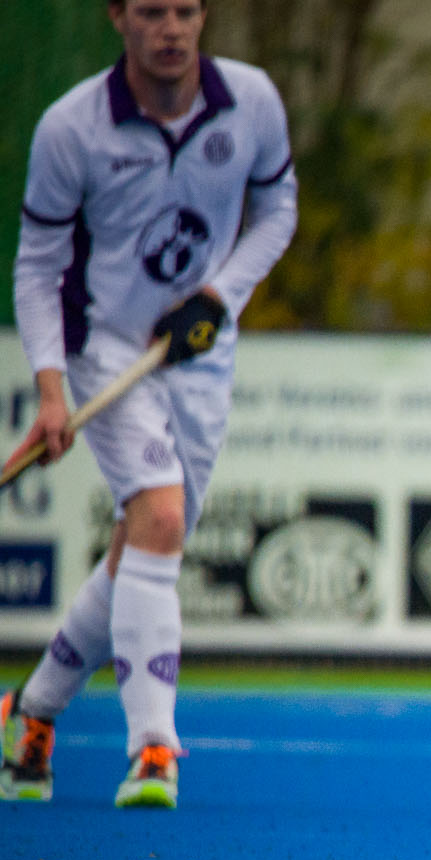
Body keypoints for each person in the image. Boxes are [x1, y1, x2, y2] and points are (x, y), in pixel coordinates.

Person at [2, 0, 296, 808]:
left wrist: (218, 296)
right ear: (118, 17)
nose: (171, 27)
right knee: (161, 520)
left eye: (186, 10)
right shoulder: (72, 128)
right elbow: (37, 267)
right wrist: (51, 388)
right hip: (105, 348)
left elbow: (278, 211)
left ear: (204, 17)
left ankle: (31, 711)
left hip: (198, 354)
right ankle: (154, 747)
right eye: (152, 11)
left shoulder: (252, 102)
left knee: (144, 546)